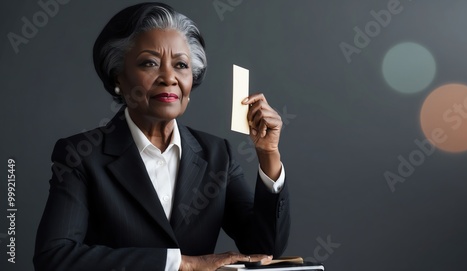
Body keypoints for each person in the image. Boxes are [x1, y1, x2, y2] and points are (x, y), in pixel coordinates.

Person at [33, 2, 290, 271]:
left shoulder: (217, 155)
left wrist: (268, 154)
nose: (169, 77)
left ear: (193, 80)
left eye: (181, 65)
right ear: (118, 76)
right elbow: (54, 257)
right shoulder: (80, 155)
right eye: (150, 63)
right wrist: (180, 263)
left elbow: (264, 248)